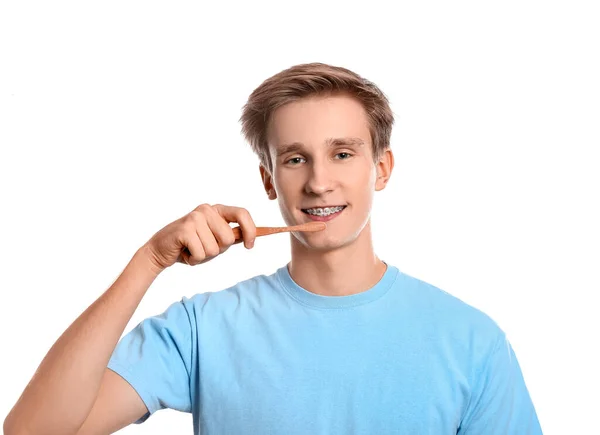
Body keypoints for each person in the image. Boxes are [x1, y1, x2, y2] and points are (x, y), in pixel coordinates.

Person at [3, 63, 543, 435]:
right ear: (269, 182)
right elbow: (31, 430)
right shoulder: (202, 329)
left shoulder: (471, 341)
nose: (319, 182)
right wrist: (149, 261)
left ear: (381, 169)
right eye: (295, 159)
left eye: (343, 154)